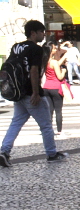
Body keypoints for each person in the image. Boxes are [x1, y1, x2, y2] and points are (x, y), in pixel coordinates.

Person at [0, 20, 67, 166]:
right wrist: (36, 92)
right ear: (33, 33)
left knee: (16, 123)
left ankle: (4, 151)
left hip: (18, 92)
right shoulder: (35, 49)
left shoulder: (16, 47)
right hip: (31, 93)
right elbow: (34, 70)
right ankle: (51, 153)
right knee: (46, 125)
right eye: (41, 32)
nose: (43, 34)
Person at [42, 43, 68, 134]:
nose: (56, 50)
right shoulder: (54, 62)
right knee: (58, 110)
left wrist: (64, 57)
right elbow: (60, 76)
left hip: (46, 87)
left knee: (49, 110)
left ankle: (48, 129)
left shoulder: (44, 61)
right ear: (50, 50)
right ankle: (59, 130)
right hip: (56, 88)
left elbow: (56, 64)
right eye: (54, 48)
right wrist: (64, 71)